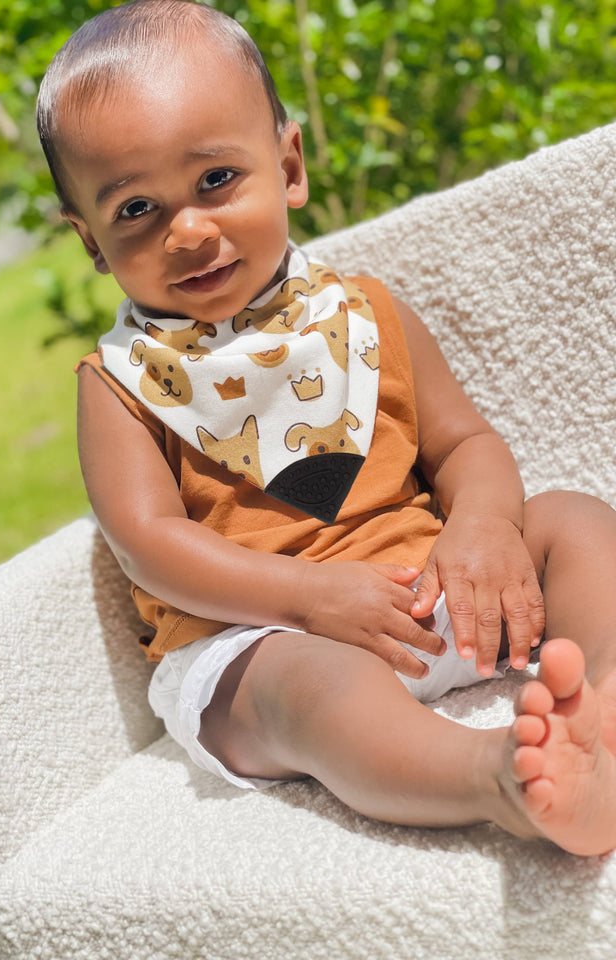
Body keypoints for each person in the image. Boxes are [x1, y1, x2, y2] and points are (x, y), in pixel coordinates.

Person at [37, 0, 616, 856]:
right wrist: (306, 599)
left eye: (214, 181)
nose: (189, 230)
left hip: (423, 594)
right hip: (260, 636)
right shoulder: (121, 383)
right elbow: (149, 543)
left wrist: (483, 526)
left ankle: (600, 707)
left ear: (289, 164)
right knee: (313, 690)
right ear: (91, 243)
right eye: (136, 211)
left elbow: (465, 446)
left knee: (571, 517)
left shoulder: (364, 313)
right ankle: (499, 779)